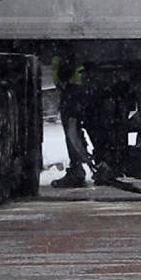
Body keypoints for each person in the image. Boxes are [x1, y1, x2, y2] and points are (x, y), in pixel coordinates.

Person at [51, 51, 93, 189]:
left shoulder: (62, 48)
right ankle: (93, 164)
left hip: (73, 88)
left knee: (72, 129)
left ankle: (78, 168)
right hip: (77, 85)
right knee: (77, 128)